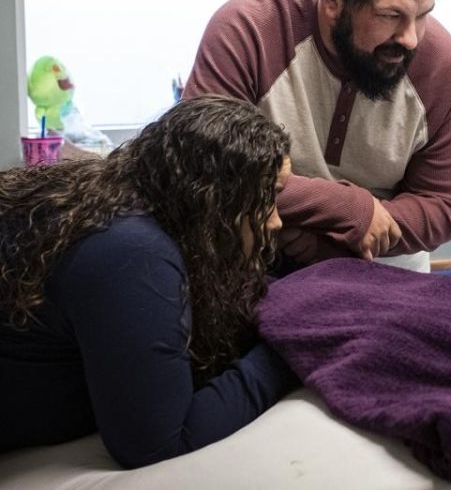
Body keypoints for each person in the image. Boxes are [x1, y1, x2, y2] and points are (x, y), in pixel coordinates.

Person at [0, 96, 298, 469]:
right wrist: (287, 352)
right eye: (268, 197)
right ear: (215, 199)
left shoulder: (109, 203)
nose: (275, 222)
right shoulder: (133, 253)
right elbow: (158, 446)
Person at [183, 0, 451, 273]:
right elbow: (203, 168)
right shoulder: (248, 31)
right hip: (255, 254)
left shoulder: (446, 68)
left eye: (422, 15)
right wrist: (345, 207)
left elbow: (445, 203)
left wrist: (333, 243)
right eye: (390, 15)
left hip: (383, 261)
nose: (411, 37)